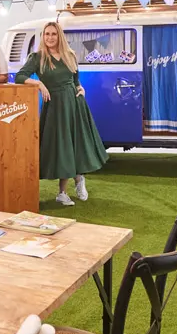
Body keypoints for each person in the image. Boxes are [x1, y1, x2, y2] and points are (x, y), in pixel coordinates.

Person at [15, 21, 108, 206]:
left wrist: (82, 89)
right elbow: (20, 76)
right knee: (62, 147)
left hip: (75, 104)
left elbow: (76, 80)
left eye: (53, 34)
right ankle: (62, 193)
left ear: (59, 36)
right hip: (55, 107)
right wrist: (39, 84)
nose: (50, 37)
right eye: (47, 34)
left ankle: (79, 179)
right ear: (43, 37)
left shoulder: (70, 55)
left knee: (76, 144)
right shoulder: (38, 57)